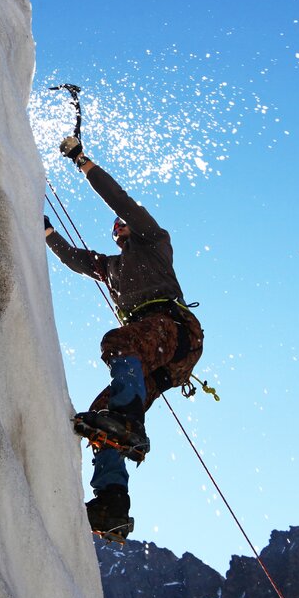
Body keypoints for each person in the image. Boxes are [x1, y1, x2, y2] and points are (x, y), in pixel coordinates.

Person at [44, 135, 204, 540]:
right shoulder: (113, 266)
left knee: (119, 344)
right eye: (116, 227)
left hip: (173, 329)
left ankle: (129, 419)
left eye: (122, 223)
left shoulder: (154, 242)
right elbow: (77, 260)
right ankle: (112, 504)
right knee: (101, 415)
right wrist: (45, 232)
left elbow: (120, 200)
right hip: (164, 354)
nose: (118, 227)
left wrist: (82, 161)